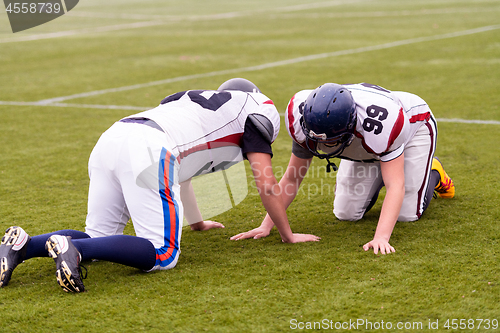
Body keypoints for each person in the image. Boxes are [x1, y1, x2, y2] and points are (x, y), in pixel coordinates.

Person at [0, 78, 320, 293]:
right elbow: (266, 183)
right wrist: (287, 235)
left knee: (100, 239)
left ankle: (23, 247)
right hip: (149, 148)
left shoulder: (189, 103)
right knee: (163, 253)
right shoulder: (255, 108)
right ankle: (74, 249)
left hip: (113, 137)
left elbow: (184, 172)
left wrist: (195, 222)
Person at [231, 82, 454, 254]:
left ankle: (434, 172)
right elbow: (292, 178)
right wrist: (266, 225)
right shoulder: (302, 117)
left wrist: (381, 238)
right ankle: (378, 167)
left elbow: (396, 185)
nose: (324, 146)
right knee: (346, 213)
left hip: (413, 126)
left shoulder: (384, 126)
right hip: (364, 143)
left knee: (407, 214)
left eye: (331, 141)